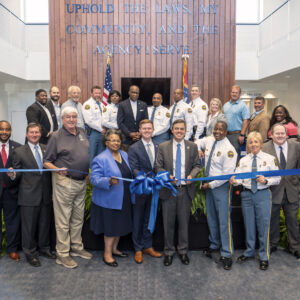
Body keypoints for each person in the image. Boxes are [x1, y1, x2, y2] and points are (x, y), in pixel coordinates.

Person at [44, 107, 92, 269]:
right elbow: (46, 162)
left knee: (77, 219)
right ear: (62, 119)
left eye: (74, 116)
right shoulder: (56, 136)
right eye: (68, 117)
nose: (72, 119)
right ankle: (62, 254)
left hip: (81, 182)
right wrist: (56, 169)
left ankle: (76, 248)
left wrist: (86, 174)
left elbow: (85, 155)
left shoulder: (81, 132)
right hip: (64, 182)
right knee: (63, 220)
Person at [230, 132, 280, 271]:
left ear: (260, 143)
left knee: (263, 226)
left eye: (256, 142)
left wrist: (266, 180)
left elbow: (278, 178)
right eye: (251, 142)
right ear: (248, 145)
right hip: (247, 195)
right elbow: (239, 178)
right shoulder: (243, 160)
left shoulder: (270, 159)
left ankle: (264, 256)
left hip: (262, 194)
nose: (253, 145)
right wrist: (234, 181)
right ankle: (249, 251)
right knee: (249, 225)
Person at [155, 119, 201, 266]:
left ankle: (182, 251)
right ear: (172, 130)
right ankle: (168, 252)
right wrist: (168, 177)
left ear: (185, 130)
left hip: (185, 191)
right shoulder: (163, 146)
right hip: (169, 190)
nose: (179, 131)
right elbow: (158, 167)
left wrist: (191, 176)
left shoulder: (193, 146)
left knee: (183, 223)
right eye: (177, 129)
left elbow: (197, 165)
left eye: (182, 129)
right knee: (167, 224)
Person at [9, 123, 56, 267]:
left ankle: (44, 249)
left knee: (44, 224)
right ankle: (30, 253)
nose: (34, 134)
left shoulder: (46, 148)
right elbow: (16, 173)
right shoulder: (19, 151)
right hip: (28, 196)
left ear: (40, 134)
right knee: (29, 228)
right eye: (31, 132)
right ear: (26, 134)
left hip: (45, 194)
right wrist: (12, 175)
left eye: (37, 132)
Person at [196, 121, 237, 270]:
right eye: (216, 129)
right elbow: (195, 143)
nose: (218, 131)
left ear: (226, 131)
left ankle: (227, 253)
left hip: (221, 187)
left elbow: (226, 176)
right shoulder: (209, 140)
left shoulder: (229, 150)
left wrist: (210, 185)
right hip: (209, 185)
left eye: (221, 129)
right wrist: (198, 150)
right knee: (211, 217)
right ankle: (214, 245)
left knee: (224, 221)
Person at [90, 129, 133, 267]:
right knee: (110, 228)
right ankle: (107, 254)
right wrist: (108, 181)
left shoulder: (124, 154)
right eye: (113, 140)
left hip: (124, 197)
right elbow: (94, 179)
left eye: (118, 140)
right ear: (107, 142)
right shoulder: (100, 158)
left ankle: (114, 249)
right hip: (109, 200)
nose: (116, 143)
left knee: (119, 225)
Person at [262, 124, 300, 259]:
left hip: (292, 190)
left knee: (292, 221)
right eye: (277, 133)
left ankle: (295, 247)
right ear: (271, 135)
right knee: (272, 220)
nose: (280, 136)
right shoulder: (265, 147)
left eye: (282, 133)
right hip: (273, 190)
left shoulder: (296, 146)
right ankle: (272, 244)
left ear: (287, 134)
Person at [128, 120, 162, 264]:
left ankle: (147, 245)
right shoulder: (134, 148)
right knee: (138, 219)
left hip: (154, 188)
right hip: (141, 188)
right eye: (144, 129)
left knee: (150, 217)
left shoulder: (158, 146)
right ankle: (138, 249)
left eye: (149, 128)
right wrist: (146, 179)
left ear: (153, 130)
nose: (147, 131)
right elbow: (133, 168)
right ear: (140, 131)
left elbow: (160, 165)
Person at [0, 121, 21, 261]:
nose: (4, 132)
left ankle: (12, 249)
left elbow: (20, 171)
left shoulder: (17, 148)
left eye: (7, 129)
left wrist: (14, 175)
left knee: (12, 222)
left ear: (11, 131)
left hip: (11, 191)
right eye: (1, 129)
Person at [223, 85, 250, 159]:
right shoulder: (225, 105)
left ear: (239, 94)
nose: (234, 94)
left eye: (236, 93)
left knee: (234, 156)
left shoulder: (243, 106)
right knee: (225, 155)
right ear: (230, 93)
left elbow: (246, 120)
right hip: (225, 135)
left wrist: (242, 135)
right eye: (233, 92)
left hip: (237, 135)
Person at [82, 85, 106, 164]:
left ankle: (99, 173)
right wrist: (101, 129)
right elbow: (89, 121)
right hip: (93, 133)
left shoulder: (101, 104)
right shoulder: (87, 105)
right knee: (91, 155)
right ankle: (91, 174)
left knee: (101, 154)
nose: (98, 95)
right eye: (96, 93)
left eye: (99, 93)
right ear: (91, 93)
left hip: (102, 134)